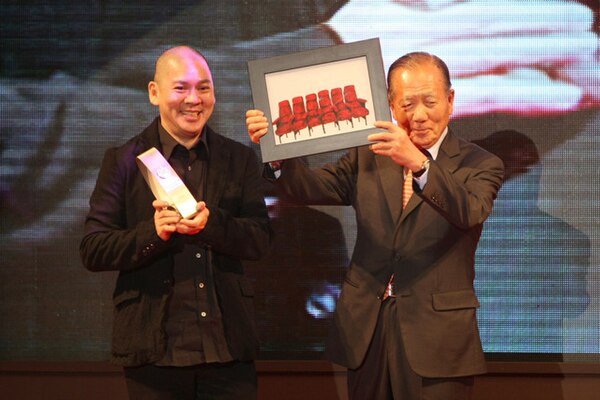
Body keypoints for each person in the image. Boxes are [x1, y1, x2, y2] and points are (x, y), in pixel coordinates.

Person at [246, 52, 504, 399]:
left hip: (437, 336)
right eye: (407, 104)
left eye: (430, 101)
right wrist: (277, 157)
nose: (420, 115)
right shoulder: (368, 156)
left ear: (450, 100)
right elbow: (310, 187)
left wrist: (419, 165)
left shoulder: (481, 163)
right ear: (389, 106)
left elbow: (469, 211)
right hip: (367, 328)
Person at [80, 46, 272, 399]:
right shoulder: (124, 160)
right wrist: (153, 233)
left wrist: (212, 225)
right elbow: (93, 249)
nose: (194, 100)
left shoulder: (239, 158)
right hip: (154, 352)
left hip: (227, 350)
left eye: (204, 88)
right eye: (180, 88)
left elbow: (259, 238)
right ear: (154, 93)